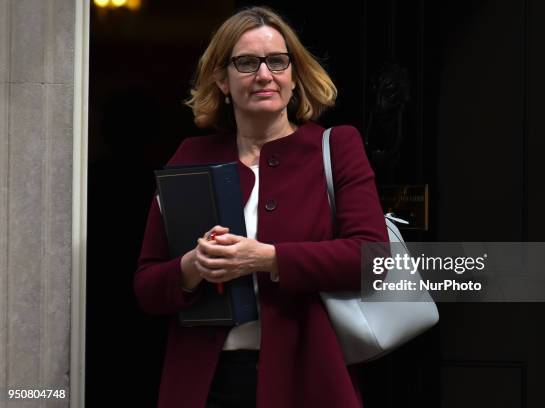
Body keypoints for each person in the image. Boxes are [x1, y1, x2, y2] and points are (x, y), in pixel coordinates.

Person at [134, 6, 388, 408]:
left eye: (277, 61)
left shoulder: (337, 147)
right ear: (222, 79)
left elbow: (372, 260)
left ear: (293, 74)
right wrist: (193, 266)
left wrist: (266, 258)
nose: (265, 75)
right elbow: (147, 287)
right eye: (247, 63)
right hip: (206, 384)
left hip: (309, 380)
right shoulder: (190, 156)